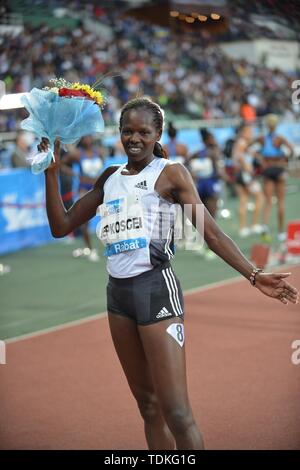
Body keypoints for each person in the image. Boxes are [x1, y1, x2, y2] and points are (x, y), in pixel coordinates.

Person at [38, 97, 298, 451]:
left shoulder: (170, 173)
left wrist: (253, 275)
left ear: (157, 133)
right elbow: (61, 225)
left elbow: (211, 232)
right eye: (127, 131)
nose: (134, 138)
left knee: (177, 412)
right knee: (148, 408)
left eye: (144, 132)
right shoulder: (110, 177)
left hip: (156, 291)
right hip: (118, 298)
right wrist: (51, 174)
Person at [248, 114, 294, 242]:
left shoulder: (262, 138)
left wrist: (259, 158)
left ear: (267, 125)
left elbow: (248, 147)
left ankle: (265, 227)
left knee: (268, 201)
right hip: (278, 168)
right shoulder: (279, 139)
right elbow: (291, 150)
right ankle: (281, 232)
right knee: (281, 202)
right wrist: (285, 160)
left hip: (267, 169)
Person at [232, 124, 264, 237]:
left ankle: (242, 228)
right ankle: (254, 225)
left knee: (243, 200)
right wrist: (248, 169)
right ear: (243, 132)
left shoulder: (241, 143)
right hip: (245, 174)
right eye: (249, 131)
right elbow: (239, 158)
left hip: (240, 175)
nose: (251, 133)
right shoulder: (242, 142)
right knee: (260, 197)